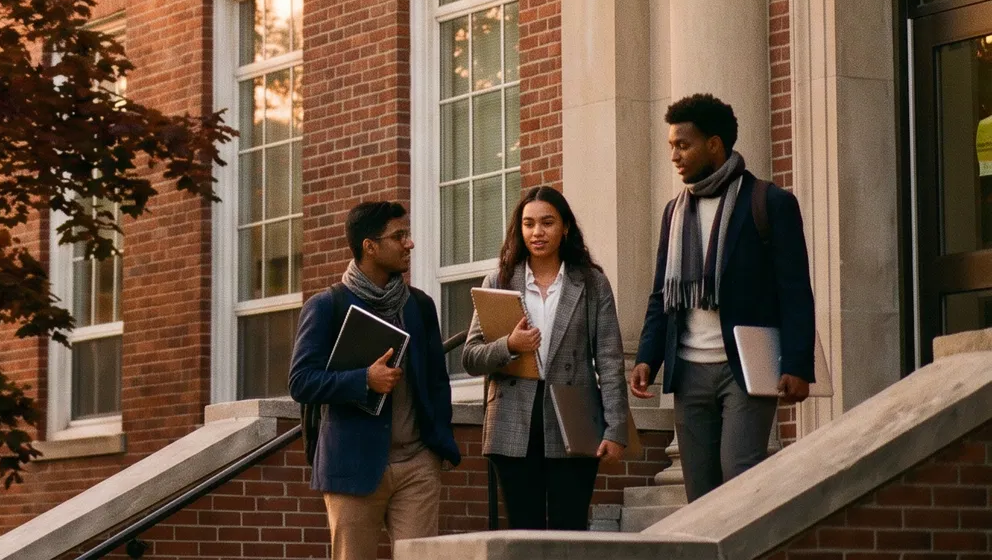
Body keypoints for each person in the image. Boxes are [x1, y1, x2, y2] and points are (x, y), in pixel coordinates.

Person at [629, 93, 815, 501]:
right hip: (689, 369)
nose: (674, 155)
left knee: (740, 475)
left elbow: (795, 289)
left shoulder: (770, 203)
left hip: (745, 367)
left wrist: (799, 363)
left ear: (714, 144)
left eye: (683, 144)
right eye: (671, 146)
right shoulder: (674, 213)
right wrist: (648, 357)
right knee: (700, 490)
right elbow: (662, 293)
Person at [289, 201, 461, 560]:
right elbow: (301, 381)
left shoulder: (419, 306)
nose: (409, 243)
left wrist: (438, 447)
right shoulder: (327, 306)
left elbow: (437, 381)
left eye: (407, 234)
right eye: (399, 236)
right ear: (370, 246)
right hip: (352, 465)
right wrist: (364, 379)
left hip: (417, 465)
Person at [462, 185, 630, 531]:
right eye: (528, 224)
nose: (537, 232)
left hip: (574, 416)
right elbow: (471, 357)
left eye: (547, 223)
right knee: (525, 532)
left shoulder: (591, 282)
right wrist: (510, 344)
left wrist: (616, 429)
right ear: (519, 230)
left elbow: (610, 358)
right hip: (513, 419)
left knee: (570, 531)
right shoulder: (500, 280)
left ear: (565, 227)